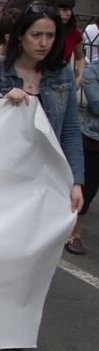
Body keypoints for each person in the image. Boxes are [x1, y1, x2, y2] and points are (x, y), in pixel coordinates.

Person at [0, 1, 84, 351]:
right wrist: (4, 104)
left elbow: (70, 131)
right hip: (2, 182)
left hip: (44, 183)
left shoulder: (61, 76)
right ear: (19, 35)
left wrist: (76, 181)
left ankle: (15, 345)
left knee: (31, 266)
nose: (43, 42)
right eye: (36, 34)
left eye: (50, 36)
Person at [69, 58, 99, 255]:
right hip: (93, 142)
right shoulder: (93, 71)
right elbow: (97, 105)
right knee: (86, 191)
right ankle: (74, 234)